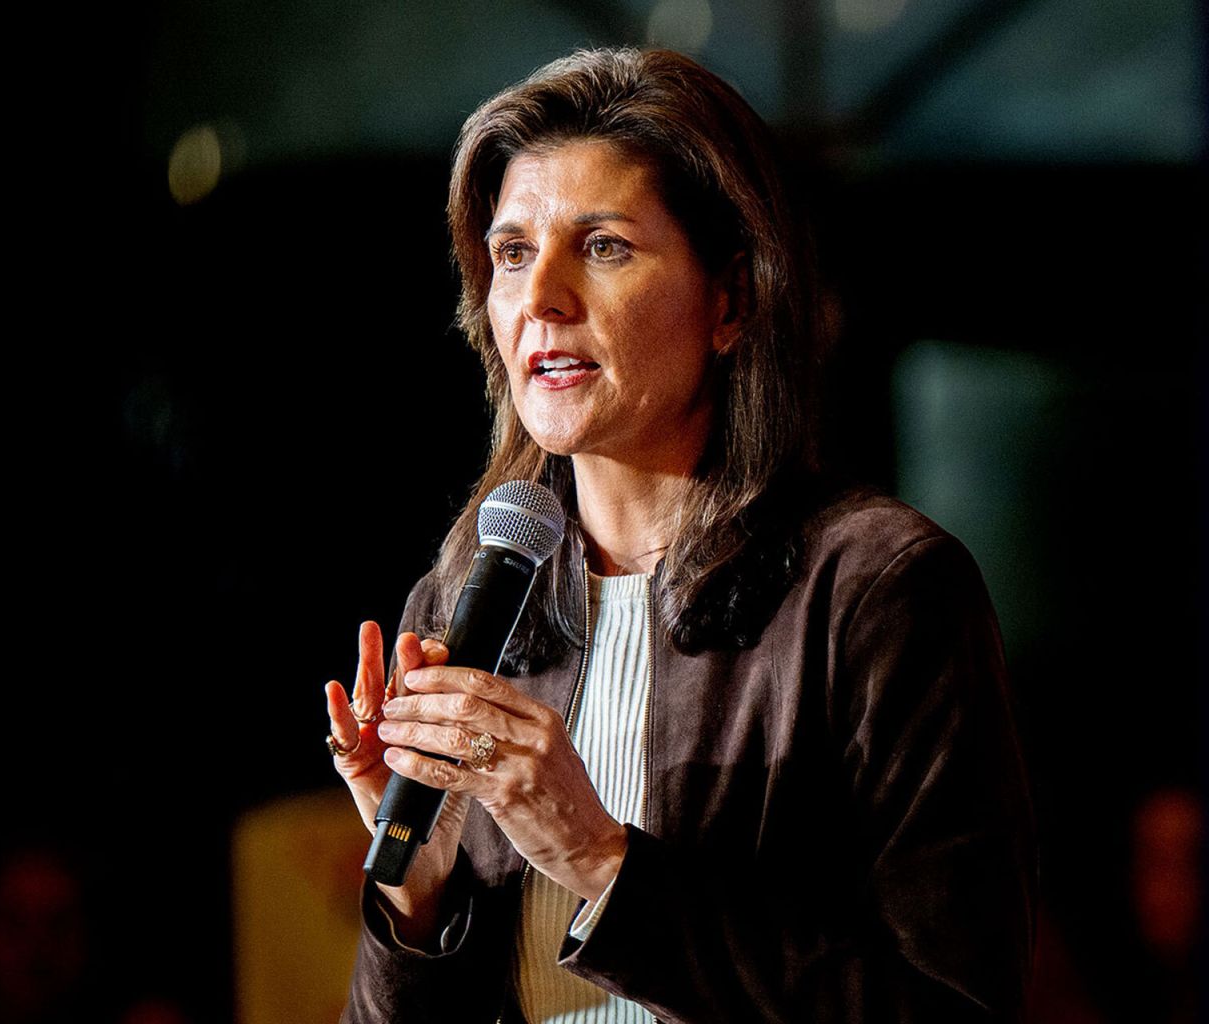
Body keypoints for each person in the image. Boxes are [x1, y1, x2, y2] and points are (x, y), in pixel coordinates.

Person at [323, 47, 1036, 1023]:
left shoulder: (876, 589)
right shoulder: (463, 598)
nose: (540, 299)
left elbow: (954, 1008)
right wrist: (419, 882)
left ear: (730, 300)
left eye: (603, 245)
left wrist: (601, 862)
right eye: (512, 253)